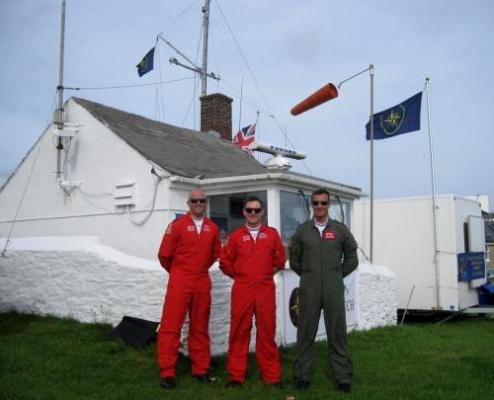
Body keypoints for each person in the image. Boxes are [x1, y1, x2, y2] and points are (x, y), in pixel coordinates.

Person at [289, 188, 358, 393]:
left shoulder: (339, 230)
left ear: (329, 205)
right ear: (312, 205)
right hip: (309, 289)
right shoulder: (302, 231)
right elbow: (294, 260)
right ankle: (302, 376)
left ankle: (343, 378)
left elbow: (352, 258)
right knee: (305, 333)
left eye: (323, 203)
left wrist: (336, 275)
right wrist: (309, 275)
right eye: (316, 203)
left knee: (337, 333)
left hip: (333, 289)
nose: (320, 207)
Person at [156, 189, 221, 390]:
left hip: (202, 279)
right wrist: (178, 273)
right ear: (188, 203)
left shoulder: (212, 227)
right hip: (180, 279)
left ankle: (200, 368)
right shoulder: (177, 226)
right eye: (195, 200)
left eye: (202, 200)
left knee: (200, 326)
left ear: (206, 203)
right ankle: (167, 372)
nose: (198, 203)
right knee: (171, 326)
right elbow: (164, 256)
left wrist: (198, 270)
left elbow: (214, 254)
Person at [219, 196, 286, 388]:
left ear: (262, 212)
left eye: (257, 210)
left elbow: (279, 261)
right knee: (239, 332)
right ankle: (236, 375)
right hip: (243, 289)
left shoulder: (271, 235)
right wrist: (240, 276)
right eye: (249, 210)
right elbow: (225, 262)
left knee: (267, 332)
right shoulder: (236, 236)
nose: (253, 214)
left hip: (265, 288)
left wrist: (264, 276)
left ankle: (272, 377)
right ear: (244, 212)